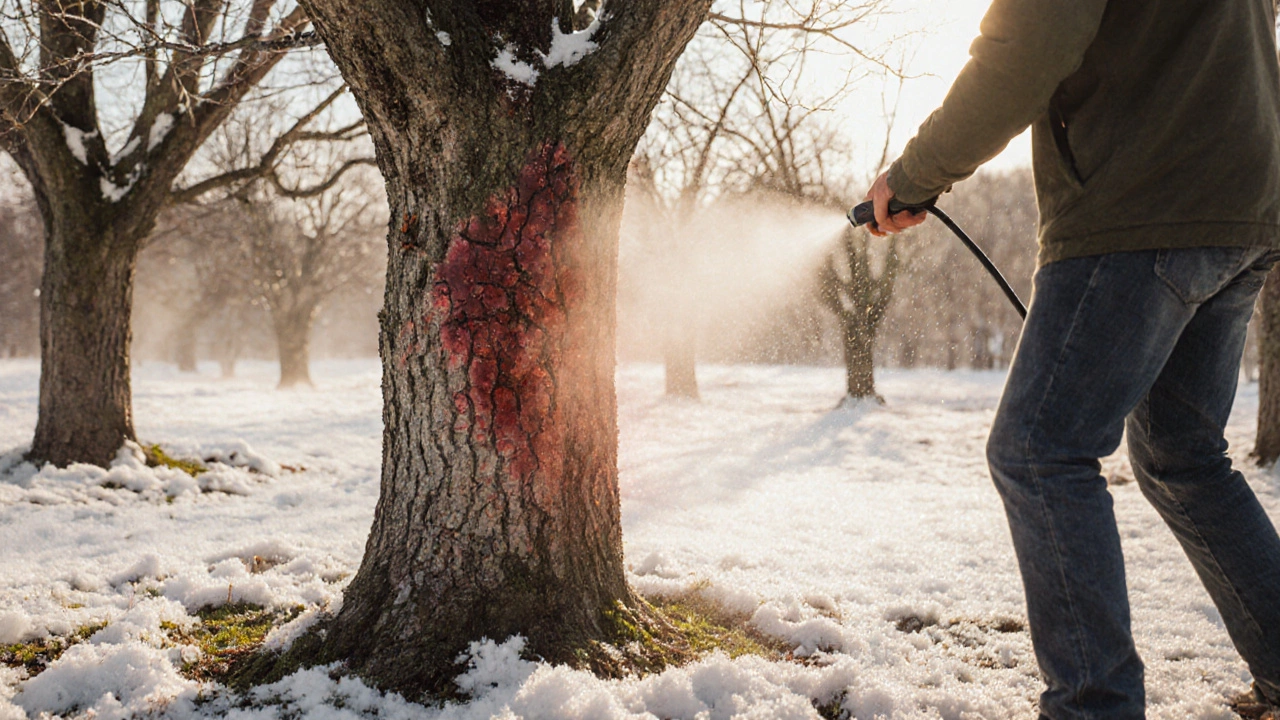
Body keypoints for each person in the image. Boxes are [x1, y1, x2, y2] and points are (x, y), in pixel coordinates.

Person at [864, 1, 1280, 718]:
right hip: (1244, 203)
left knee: (1037, 450)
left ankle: (1094, 707)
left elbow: (1026, 47)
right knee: (1183, 457)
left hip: (1142, 200)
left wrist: (915, 174)